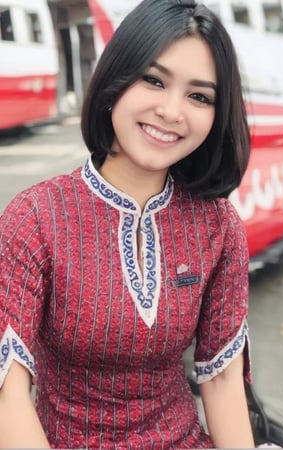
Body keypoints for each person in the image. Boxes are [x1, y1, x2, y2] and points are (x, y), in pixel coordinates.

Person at [0, 0, 255, 448]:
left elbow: (221, 381)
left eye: (199, 96)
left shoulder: (220, 227)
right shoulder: (35, 216)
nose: (172, 111)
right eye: (153, 80)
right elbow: (8, 392)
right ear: (115, 78)